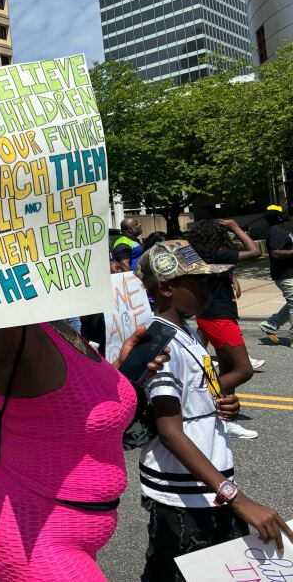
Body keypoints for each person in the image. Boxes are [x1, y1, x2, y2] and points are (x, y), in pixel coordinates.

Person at [0, 175, 170, 580]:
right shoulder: (13, 330)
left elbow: (77, 409)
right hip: (31, 530)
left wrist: (126, 368)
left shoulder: (61, 325)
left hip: (81, 528)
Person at [135, 241, 293, 581]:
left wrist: (221, 403)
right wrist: (237, 498)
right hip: (183, 495)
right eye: (199, 282)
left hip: (210, 484)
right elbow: (170, 430)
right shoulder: (161, 344)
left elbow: (192, 398)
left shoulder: (187, 333)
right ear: (165, 287)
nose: (209, 287)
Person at [189, 219, 263, 439]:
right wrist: (236, 227)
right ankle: (197, 397)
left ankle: (225, 420)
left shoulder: (203, 254)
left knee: (228, 368)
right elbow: (255, 251)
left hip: (211, 315)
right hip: (218, 317)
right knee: (244, 370)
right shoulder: (220, 254)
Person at [259, 205, 293, 343]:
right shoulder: (276, 232)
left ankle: (270, 325)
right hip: (285, 275)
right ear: (278, 217)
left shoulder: (280, 230)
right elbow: (275, 253)